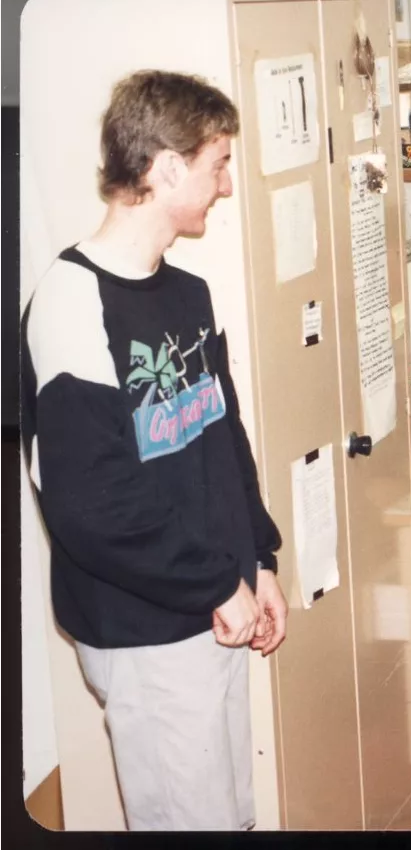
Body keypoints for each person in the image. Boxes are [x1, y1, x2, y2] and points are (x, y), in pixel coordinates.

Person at [19, 70, 287, 831]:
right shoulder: (72, 306)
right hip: (148, 622)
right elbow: (90, 505)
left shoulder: (186, 294)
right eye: (217, 165)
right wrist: (214, 582)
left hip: (213, 602)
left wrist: (258, 561)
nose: (225, 186)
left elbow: (222, 440)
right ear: (167, 168)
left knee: (228, 813)